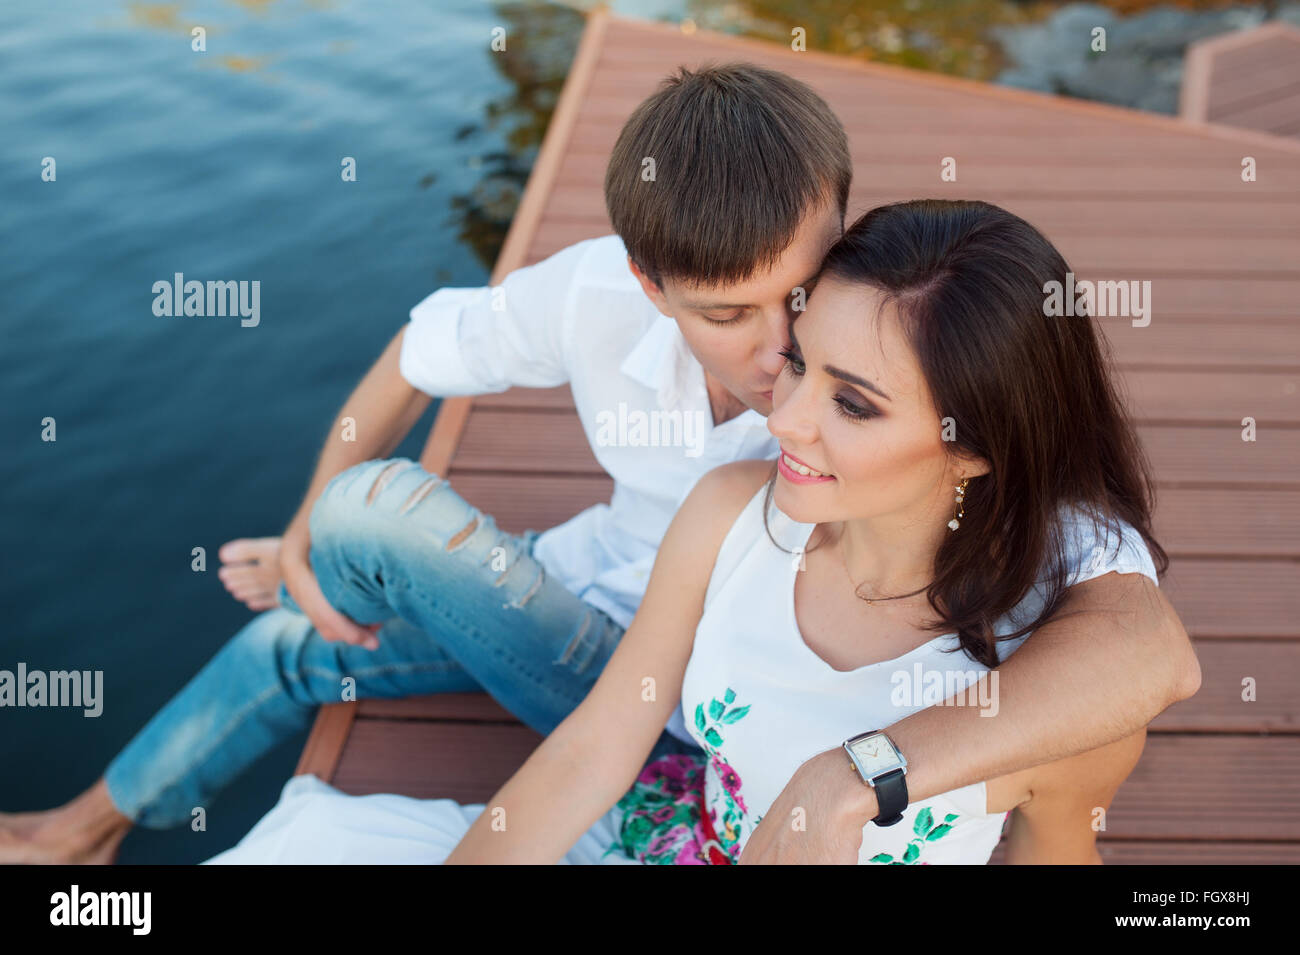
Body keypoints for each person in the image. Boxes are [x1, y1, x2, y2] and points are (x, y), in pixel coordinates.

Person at [0, 66, 1197, 866]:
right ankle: (80, 832)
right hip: (628, 639)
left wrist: (854, 773)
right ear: (648, 285)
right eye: (734, 317)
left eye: (808, 305)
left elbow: (1144, 653)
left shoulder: (924, 359)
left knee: (358, 548)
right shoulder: (710, 460)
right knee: (320, 601)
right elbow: (421, 350)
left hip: (682, 697)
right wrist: (312, 518)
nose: (780, 365)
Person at [209, 200, 1165, 864]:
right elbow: (593, 752)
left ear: (975, 449)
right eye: (801, 366)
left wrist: (849, 777)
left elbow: (1134, 685)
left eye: (855, 406)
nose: (783, 418)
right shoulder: (726, 517)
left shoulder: (1053, 676)